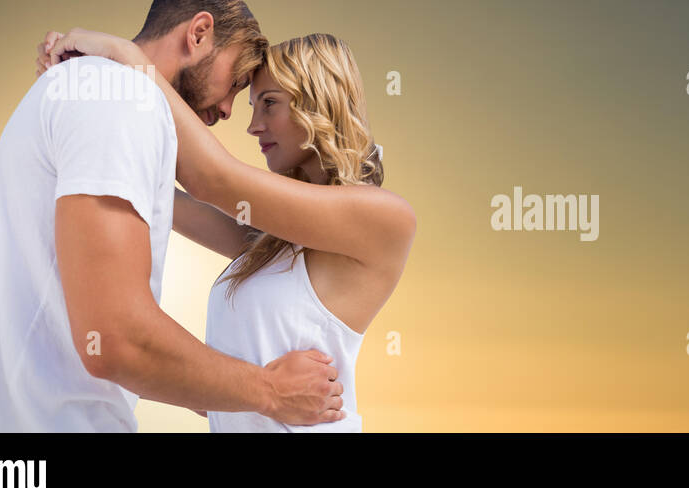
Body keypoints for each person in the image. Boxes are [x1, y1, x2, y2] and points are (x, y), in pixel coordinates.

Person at [0, 0, 343, 433]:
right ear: (199, 33)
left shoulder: (91, 89)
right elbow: (116, 341)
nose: (229, 110)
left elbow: (255, 239)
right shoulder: (122, 100)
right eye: (236, 82)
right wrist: (270, 391)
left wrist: (219, 385)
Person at [37, 28, 417, 432]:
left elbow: (212, 179)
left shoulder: (384, 218)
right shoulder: (272, 243)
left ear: (319, 101)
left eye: (270, 104)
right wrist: (96, 97)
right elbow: (160, 195)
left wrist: (125, 56)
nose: (254, 126)